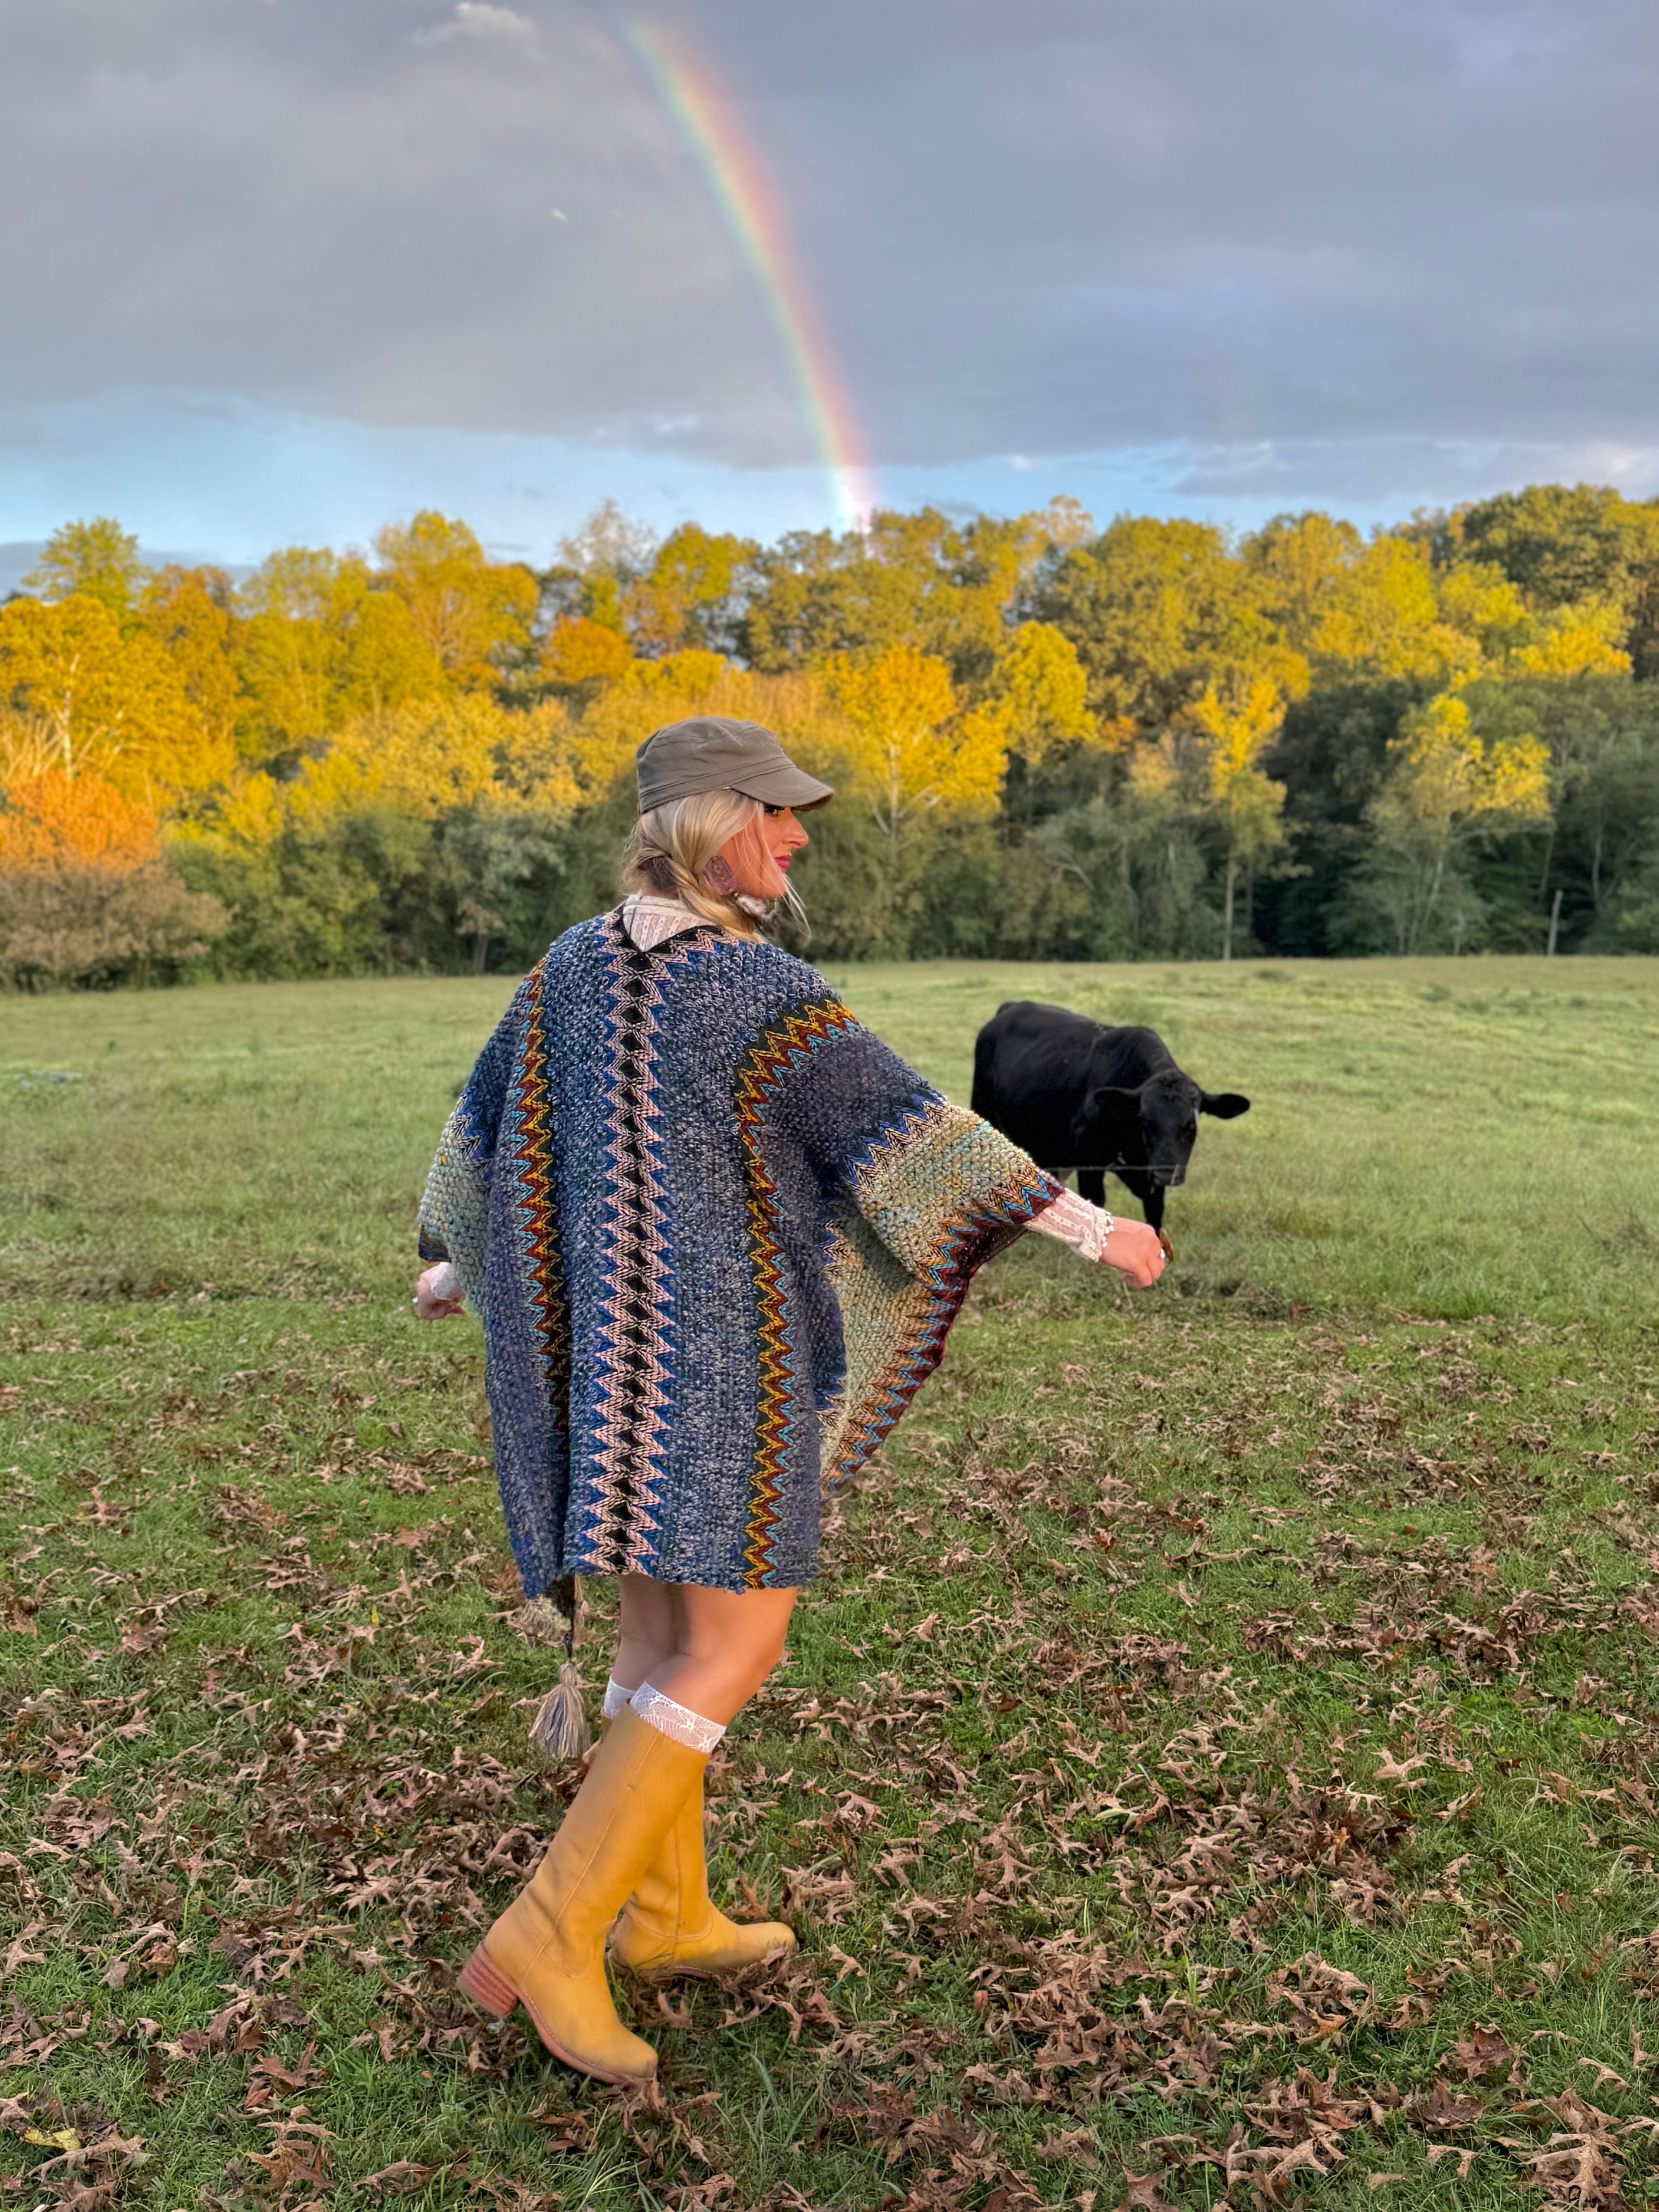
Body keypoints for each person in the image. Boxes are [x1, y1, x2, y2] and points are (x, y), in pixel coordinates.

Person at [413, 713, 1164, 2086]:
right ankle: (549, 1930)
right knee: (736, 1646)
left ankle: (663, 1915)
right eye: (775, 813)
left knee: (657, 1649)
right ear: (710, 825)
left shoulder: (571, 967)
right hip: (720, 1371)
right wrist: (1088, 1226)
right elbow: (913, 1130)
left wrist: (462, 1255)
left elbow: (494, 1126)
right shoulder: (754, 990)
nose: (797, 835)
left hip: (609, 1375)